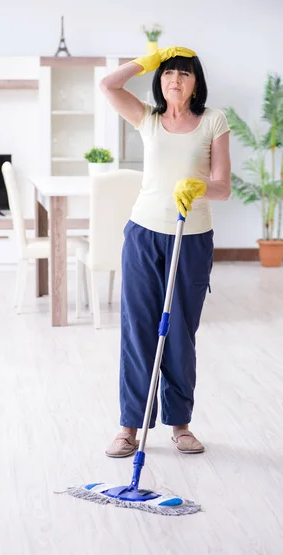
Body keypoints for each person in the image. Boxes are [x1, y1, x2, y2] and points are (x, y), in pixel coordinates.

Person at [100, 46, 231, 456]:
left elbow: (223, 186)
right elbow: (107, 84)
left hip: (191, 238)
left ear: (196, 84)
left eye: (184, 73)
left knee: (178, 334)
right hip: (144, 234)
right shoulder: (147, 118)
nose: (175, 78)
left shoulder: (213, 121)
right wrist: (146, 60)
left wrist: (199, 186)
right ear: (160, 79)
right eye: (169, 72)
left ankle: (180, 425)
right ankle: (129, 427)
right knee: (138, 330)